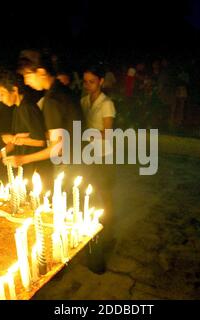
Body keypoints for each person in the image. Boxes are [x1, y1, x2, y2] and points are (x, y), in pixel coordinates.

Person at [4, 49, 83, 183]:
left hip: (69, 164)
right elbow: (64, 132)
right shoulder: (62, 90)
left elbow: (57, 148)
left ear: (41, 72)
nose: (26, 82)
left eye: (28, 76)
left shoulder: (52, 100)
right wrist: (27, 137)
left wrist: (22, 159)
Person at [0, 68, 49, 180]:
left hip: (36, 169)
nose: (0, 99)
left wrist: (18, 139)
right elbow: (14, 143)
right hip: (26, 168)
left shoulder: (27, 108)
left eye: (2, 94)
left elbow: (41, 141)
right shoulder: (18, 109)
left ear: (14, 90)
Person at [81, 64, 117, 246]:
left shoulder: (106, 103)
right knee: (92, 191)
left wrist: (85, 134)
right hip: (89, 153)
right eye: (85, 81)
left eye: (92, 81)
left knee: (105, 193)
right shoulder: (84, 100)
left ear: (101, 81)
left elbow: (108, 132)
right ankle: (97, 225)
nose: (88, 85)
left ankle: (108, 230)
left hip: (103, 154)